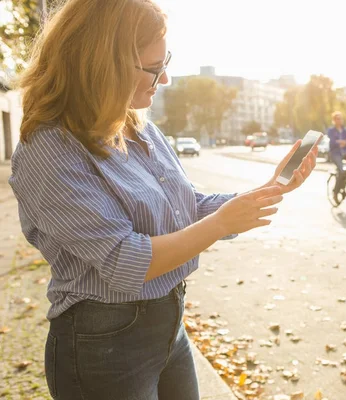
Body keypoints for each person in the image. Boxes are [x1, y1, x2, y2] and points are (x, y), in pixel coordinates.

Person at [8, 1, 318, 399]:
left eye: (165, 61)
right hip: (104, 347)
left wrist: (265, 190)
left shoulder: (137, 126)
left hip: (170, 327)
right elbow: (125, 262)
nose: (166, 78)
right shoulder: (49, 149)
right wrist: (223, 223)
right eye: (154, 68)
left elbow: (185, 209)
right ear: (102, 65)